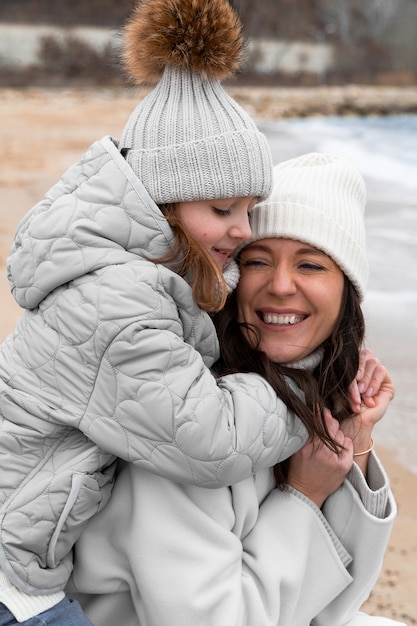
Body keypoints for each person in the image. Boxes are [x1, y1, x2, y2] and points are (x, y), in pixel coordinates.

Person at [0, 1, 314, 624]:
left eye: (250, 209)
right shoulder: (115, 299)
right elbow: (208, 439)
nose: (241, 230)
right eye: (222, 209)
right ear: (162, 203)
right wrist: (309, 391)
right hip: (11, 572)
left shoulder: (124, 276)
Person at [68, 153, 405, 625]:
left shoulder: (304, 394)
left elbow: (336, 604)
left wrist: (355, 442)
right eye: (257, 261)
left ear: (346, 290)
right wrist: (305, 497)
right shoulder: (188, 416)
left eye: (310, 265)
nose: (281, 285)